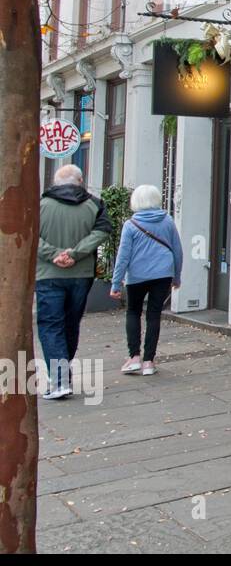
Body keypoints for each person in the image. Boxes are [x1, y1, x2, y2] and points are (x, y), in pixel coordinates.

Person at [37, 163, 112, 400]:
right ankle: (62, 375)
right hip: (81, 274)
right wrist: (76, 254)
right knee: (71, 323)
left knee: (51, 325)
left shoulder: (39, 205)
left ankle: (59, 380)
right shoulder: (95, 204)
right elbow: (102, 231)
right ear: (80, 181)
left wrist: (54, 255)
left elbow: (29, 234)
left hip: (48, 274)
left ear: (55, 183)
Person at [110, 184, 184, 377]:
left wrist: (116, 283)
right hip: (162, 274)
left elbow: (123, 257)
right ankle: (149, 362)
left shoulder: (130, 225)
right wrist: (177, 276)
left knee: (133, 312)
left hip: (137, 276)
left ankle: (134, 357)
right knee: (154, 315)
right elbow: (177, 250)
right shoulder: (167, 221)